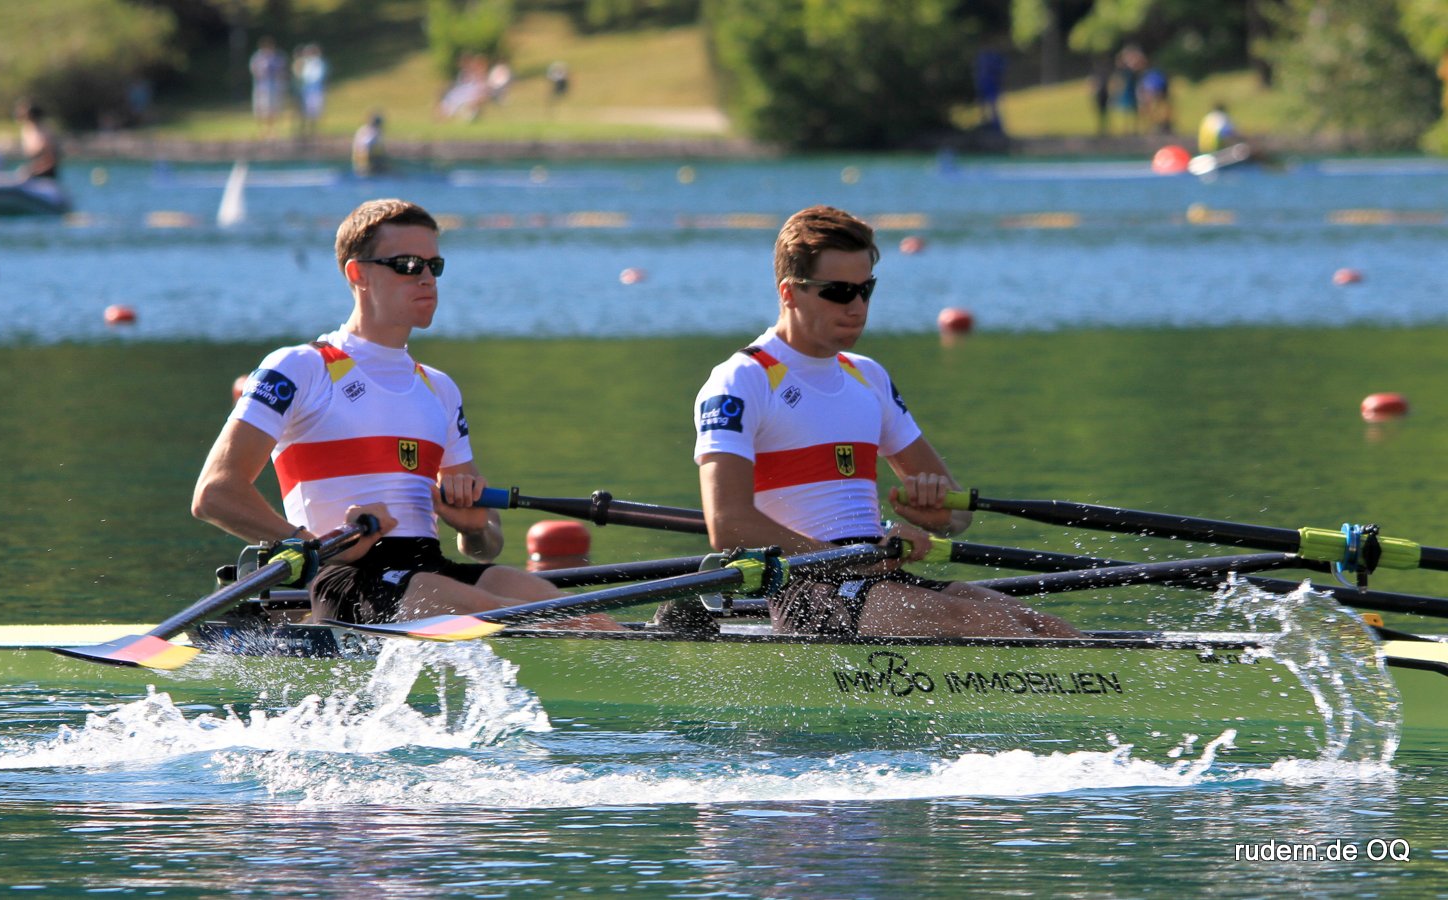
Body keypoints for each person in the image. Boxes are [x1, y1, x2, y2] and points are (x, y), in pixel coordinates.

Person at [192, 198, 623, 631]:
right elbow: (214, 493)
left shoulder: (439, 388)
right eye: (407, 264)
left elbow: (485, 545)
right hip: (344, 578)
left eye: (434, 266)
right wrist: (311, 544)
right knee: (513, 617)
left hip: (428, 569)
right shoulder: (302, 367)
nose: (426, 279)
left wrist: (473, 527)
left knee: (587, 620)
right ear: (357, 274)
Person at [691, 205, 1081, 639]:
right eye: (838, 292)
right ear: (789, 292)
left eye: (865, 290)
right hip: (808, 590)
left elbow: (956, 516)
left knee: (1048, 628)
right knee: (992, 627)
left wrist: (934, 517)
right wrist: (849, 557)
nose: (857, 307)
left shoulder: (867, 376)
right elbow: (728, 525)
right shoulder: (742, 379)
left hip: (880, 577)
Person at [249, 36, 288, 138]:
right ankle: (263, 130)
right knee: (261, 109)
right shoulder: (258, 57)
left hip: (274, 86)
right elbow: (254, 70)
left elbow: (282, 71)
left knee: (273, 109)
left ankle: (272, 130)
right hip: (262, 86)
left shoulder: (277, 57)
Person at [13, 100, 60, 180]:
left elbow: (50, 158)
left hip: (46, 172)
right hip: (36, 168)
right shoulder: (27, 130)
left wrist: (33, 170)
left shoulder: (44, 131)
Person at [294, 43, 327, 139]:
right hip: (307, 89)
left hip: (316, 88)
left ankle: (314, 130)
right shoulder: (306, 63)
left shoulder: (319, 62)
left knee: (315, 110)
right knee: (306, 110)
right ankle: (306, 130)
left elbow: (319, 76)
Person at [352, 112, 387, 177]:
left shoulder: (362, 129)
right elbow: (367, 143)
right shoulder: (374, 132)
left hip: (360, 160)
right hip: (370, 161)